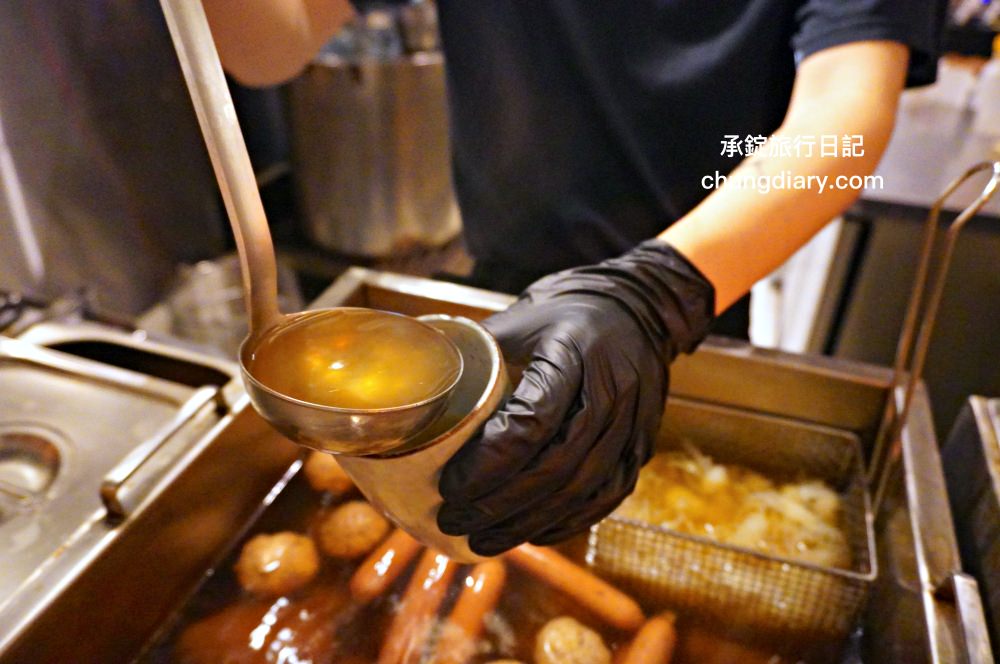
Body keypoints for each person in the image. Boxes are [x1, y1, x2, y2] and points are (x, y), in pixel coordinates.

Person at [205, 1, 945, 555]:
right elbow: (273, 47)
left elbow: (845, 126)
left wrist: (656, 292)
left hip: (690, 307)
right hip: (496, 298)